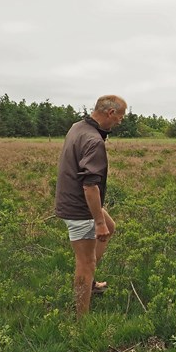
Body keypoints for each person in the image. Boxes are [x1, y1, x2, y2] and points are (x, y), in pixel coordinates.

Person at [55, 95, 126, 318]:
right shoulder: (94, 140)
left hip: (71, 198)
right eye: (120, 117)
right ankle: (81, 320)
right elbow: (90, 186)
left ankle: (89, 282)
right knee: (85, 262)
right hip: (80, 207)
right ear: (110, 113)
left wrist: (103, 223)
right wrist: (97, 221)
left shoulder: (78, 127)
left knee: (110, 227)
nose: (120, 122)